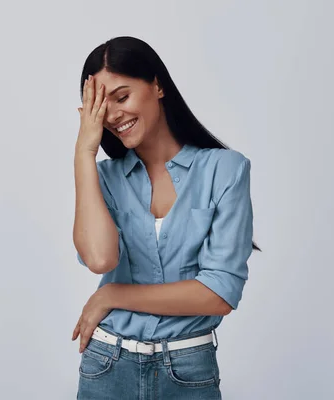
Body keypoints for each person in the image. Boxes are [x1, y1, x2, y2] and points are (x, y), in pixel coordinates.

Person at [71, 36, 261, 400]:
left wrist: (113, 294)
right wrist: (84, 152)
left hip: (188, 368)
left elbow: (218, 294)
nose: (112, 115)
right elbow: (100, 259)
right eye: (99, 106)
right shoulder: (105, 180)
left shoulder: (225, 170)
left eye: (122, 97)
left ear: (157, 85)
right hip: (106, 364)